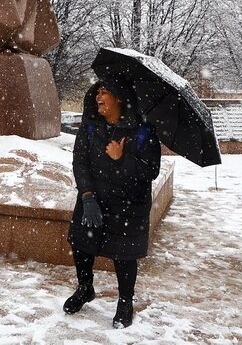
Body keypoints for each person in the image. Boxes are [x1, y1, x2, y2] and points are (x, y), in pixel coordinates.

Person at [64, 76, 161, 329]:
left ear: (119, 97)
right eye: (97, 91)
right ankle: (85, 288)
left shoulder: (143, 130)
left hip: (129, 204)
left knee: (124, 255)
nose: (98, 96)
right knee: (82, 244)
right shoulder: (90, 126)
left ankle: (125, 302)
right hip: (94, 198)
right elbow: (80, 162)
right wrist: (87, 196)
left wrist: (122, 158)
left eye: (105, 91)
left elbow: (151, 170)